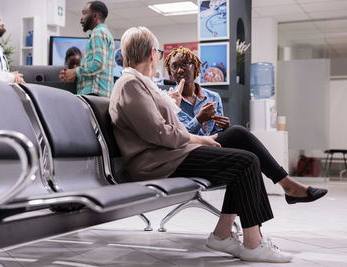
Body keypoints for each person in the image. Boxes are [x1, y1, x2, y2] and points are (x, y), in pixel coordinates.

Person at [110, 26, 292, 263]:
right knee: (246, 162)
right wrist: (200, 139)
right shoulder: (130, 84)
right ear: (152, 54)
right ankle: (252, 242)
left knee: (239, 143)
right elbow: (161, 133)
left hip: (168, 153)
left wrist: (171, 104)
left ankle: (225, 235)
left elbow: (164, 128)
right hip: (157, 161)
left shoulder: (141, 83)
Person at [164, 46, 328, 204]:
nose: (179, 70)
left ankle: (258, 223)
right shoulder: (168, 99)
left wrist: (223, 127)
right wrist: (199, 119)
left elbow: (215, 132)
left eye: (185, 64)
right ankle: (287, 185)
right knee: (239, 135)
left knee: (249, 155)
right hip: (188, 153)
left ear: (196, 67)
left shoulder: (212, 96)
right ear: (171, 73)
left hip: (212, 147)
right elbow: (178, 136)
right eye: (174, 67)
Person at [59, 1, 114, 98]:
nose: (81, 18)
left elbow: (98, 64)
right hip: (98, 95)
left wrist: (75, 71)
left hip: (94, 95)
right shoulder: (104, 33)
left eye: (85, 13)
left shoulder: (98, 33)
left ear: (95, 16)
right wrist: (73, 75)